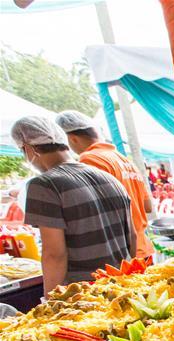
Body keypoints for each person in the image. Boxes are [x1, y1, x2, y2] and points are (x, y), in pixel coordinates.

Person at [11, 116, 133, 295]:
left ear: (29, 148)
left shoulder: (44, 185)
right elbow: (132, 238)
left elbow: (54, 254)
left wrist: (50, 299)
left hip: (83, 296)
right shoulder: (109, 178)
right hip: (123, 287)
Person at [55, 110, 154, 259]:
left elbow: (92, 211)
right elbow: (147, 206)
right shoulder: (124, 160)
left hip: (121, 252)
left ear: (71, 138)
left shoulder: (89, 159)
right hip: (142, 248)